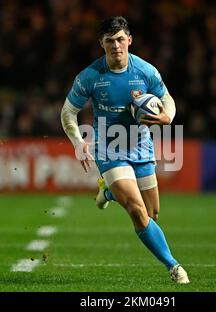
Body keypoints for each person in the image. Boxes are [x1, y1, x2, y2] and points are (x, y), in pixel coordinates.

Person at [60, 16, 189, 284]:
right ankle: (174, 267)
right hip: (109, 148)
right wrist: (78, 142)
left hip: (141, 146)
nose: (116, 46)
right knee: (136, 210)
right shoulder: (90, 77)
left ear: (129, 40)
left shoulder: (146, 71)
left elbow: (167, 100)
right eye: (110, 41)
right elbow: (68, 112)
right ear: (102, 44)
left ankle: (107, 191)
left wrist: (168, 117)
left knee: (152, 215)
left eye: (120, 39)